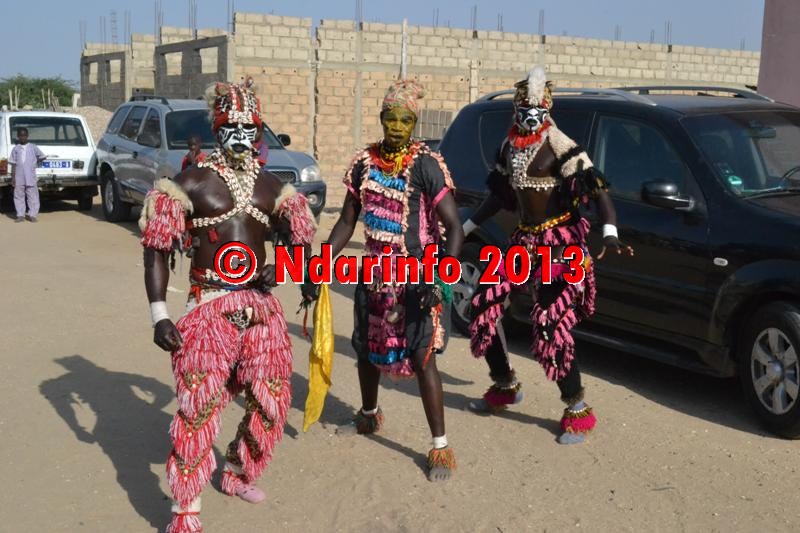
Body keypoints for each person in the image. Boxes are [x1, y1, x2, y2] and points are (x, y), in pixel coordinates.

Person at [140, 78, 316, 533]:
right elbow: (156, 249)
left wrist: (288, 271)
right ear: (218, 129)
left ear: (258, 131)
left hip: (260, 309)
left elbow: (299, 242)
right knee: (198, 407)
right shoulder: (189, 183)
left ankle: (236, 472)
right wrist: (160, 315)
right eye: (231, 127)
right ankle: (186, 509)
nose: (240, 136)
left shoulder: (273, 186)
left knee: (273, 400)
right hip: (208, 308)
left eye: (249, 128)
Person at [463, 66, 634, 444]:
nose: (528, 114)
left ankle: (575, 406)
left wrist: (609, 234)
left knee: (550, 323)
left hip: (561, 246)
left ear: (546, 107)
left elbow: (599, 192)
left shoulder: (560, 144)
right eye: (523, 106)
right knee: (482, 306)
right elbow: (500, 197)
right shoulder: (508, 147)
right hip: (524, 242)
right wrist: (465, 229)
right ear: (515, 108)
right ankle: (505, 384)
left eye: (536, 107)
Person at [303, 79, 464, 482]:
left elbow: (454, 228)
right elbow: (345, 221)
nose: (396, 126)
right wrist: (319, 264)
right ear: (380, 119)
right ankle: (370, 415)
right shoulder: (363, 164)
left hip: (417, 277)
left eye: (404, 120)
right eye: (390, 118)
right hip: (375, 273)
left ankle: (440, 446)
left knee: (422, 354)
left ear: (414, 122)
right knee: (365, 348)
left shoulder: (426, 165)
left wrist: (438, 278)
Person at [8, 127, 46, 222]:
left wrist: (34, 163)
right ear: (18, 136)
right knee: (18, 195)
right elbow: (13, 164)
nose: (23, 137)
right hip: (19, 176)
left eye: (24, 135)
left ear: (27, 136)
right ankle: (20, 215)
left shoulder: (33, 147)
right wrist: (13, 178)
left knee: (32, 195)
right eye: (21, 135)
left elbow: (42, 157)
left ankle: (32, 214)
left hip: (30, 176)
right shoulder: (16, 149)